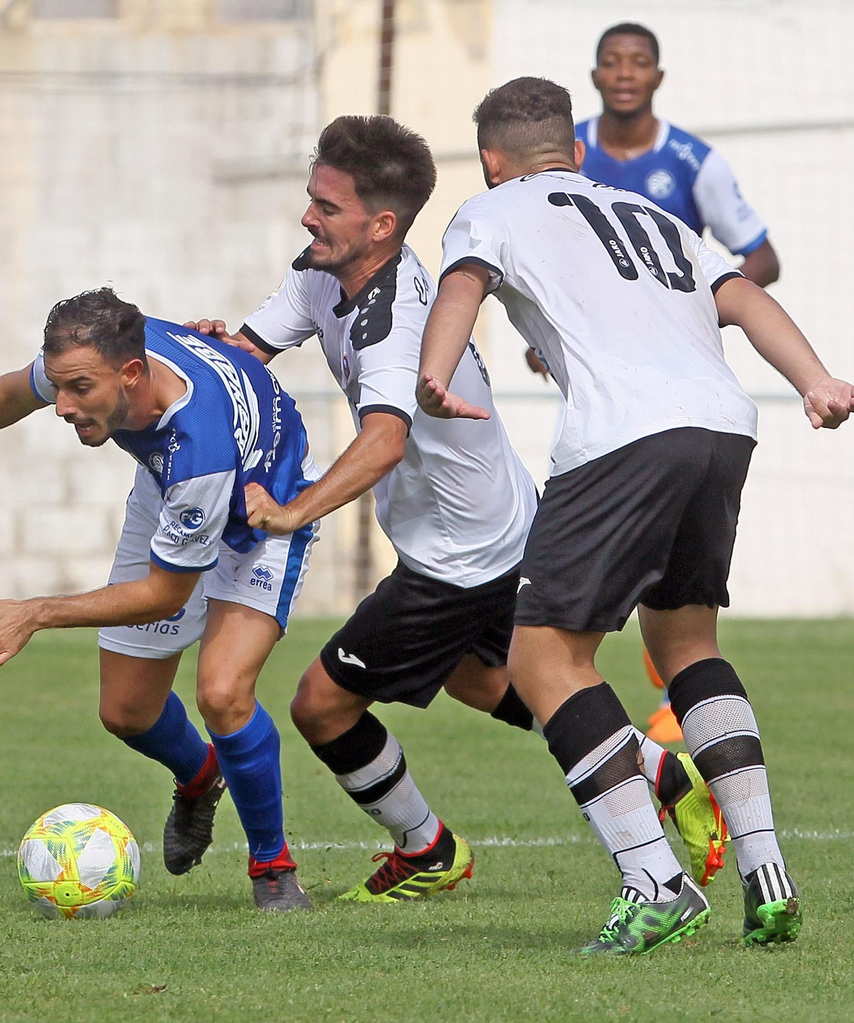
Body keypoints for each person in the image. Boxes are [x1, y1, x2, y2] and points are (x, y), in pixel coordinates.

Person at [190, 114, 729, 900]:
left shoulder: (396, 321)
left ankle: (427, 847)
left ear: (380, 225)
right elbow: (249, 349)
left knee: (321, 705)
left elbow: (381, 443)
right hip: (499, 522)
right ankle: (666, 774)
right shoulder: (321, 270)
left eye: (326, 206)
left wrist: (292, 511)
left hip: (459, 555)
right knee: (486, 683)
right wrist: (201, 344)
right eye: (312, 198)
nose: (308, 216)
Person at [418, 77, 854, 953]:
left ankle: (654, 881)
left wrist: (433, 374)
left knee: (544, 656)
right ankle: (766, 873)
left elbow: (462, 287)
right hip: (721, 428)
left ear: (491, 160)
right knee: (686, 645)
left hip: (625, 437)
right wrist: (814, 381)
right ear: (575, 151)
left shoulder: (491, 209)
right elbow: (744, 298)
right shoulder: (650, 214)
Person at [0, 289, 322, 912]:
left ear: (131, 375)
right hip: (170, 492)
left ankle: (272, 868)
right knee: (125, 711)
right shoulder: (110, 348)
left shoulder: (201, 443)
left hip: (262, 516)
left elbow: (164, 594)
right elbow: (14, 390)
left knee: (222, 694)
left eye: (78, 390)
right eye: (58, 387)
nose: (61, 406)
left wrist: (35, 612)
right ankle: (200, 775)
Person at [529, 23, 788, 743]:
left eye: (637, 62)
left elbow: (760, 258)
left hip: (679, 381)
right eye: (611, 62)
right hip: (612, 383)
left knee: (664, 539)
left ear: (657, 77)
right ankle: (671, 685)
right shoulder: (568, 156)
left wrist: (696, 311)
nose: (624, 73)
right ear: (595, 74)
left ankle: (669, 691)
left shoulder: (692, 162)